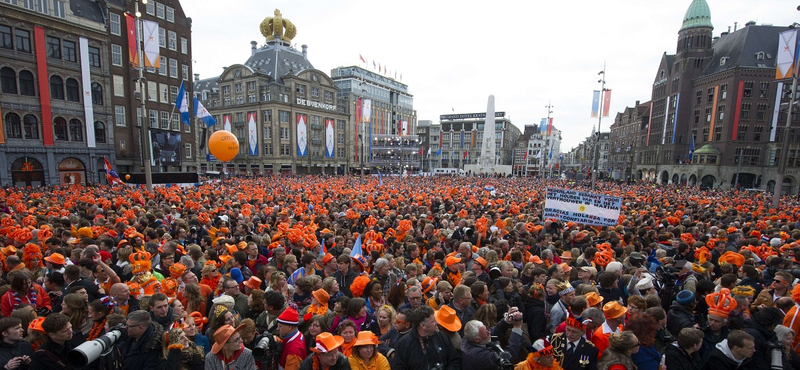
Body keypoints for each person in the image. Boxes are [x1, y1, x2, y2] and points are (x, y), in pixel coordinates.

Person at [394, 305, 460, 370]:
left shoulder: (442, 337)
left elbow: (454, 361)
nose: (437, 323)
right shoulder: (405, 343)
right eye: (433, 321)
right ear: (423, 325)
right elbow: (398, 367)